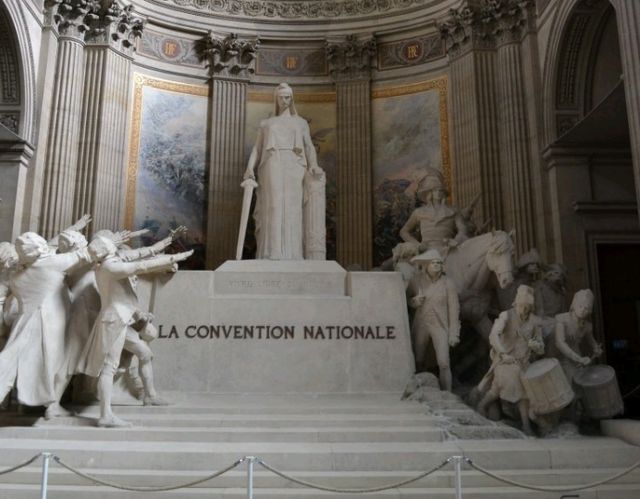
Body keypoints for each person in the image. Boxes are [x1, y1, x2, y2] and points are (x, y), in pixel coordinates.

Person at [77, 236, 192, 427]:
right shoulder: (110, 267)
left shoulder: (110, 262)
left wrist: (161, 245)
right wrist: (174, 258)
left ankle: (150, 396)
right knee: (109, 368)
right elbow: (141, 267)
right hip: (114, 320)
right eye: (110, 245)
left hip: (122, 319)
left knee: (145, 353)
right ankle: (106, 415)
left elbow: (138, 255)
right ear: (107, 250)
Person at [0, 232, 91, 419]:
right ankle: (51, 405)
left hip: (24, 322)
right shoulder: (51, 264)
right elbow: (87, 254)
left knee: (11, 362)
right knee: (52, 364)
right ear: (40, 247)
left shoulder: (17, 274)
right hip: (50, 323)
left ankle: (48, 404)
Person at [243, 82, 325, 260]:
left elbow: (309, 147)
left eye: (287, 97)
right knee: (274, 204)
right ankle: (272, 251)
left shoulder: (301, 122)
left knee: (293, 207)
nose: (284, 101)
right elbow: (257, 148)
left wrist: (314, 164)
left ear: (292, 99)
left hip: (295, 164)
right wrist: (250, 168)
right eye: (281, 97)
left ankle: (294, 253)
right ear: (276, 99)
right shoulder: (267, 123)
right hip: (272, 161)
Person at [477, 285, 545, 435]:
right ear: (516, 304)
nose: (524, 309)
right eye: (521, 306)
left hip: (524, 362)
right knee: (511, 380)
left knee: (524, 383)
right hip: (504, 360)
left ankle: (526, 424)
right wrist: (502, 353)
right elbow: (493, 336)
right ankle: (483, 404)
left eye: (527, 307)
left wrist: (536, 346)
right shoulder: (506, 316)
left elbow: (541, 347)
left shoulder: (535, 322)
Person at [407, 249, 460, 391]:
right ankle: (417, 389)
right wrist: (414, 302)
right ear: (426, 265)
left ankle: (447, 392)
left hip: (439, 325)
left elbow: (454, 310)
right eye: (433, 262)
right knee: (418, 359)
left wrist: (454, 333)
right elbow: (405, 300)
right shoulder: (416, 280)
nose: (437, 265)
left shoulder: (448, 283)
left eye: (439, 262)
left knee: (444, 362)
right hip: (421, 324)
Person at [399, 168, 468, 258]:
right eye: (435, 190)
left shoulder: (453, 210)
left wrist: (455, 241)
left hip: (447, 249)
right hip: (426, 251)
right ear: (429, 192)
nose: (438, 193)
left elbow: (463, 229)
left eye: (440, 190)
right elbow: (404, 231)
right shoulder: (419, 212)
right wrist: (417, 245)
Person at [550, 289, 602, 383]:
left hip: (577, 358)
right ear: (574, 305)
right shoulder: (561, 319)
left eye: (586, 308)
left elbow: (592, 342)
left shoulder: (587, 326)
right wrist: (578, 358)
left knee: (580, 382)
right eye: (580, 306)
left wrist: (596, 349)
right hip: (559, 357)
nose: (582, 310)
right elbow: (560, 343)